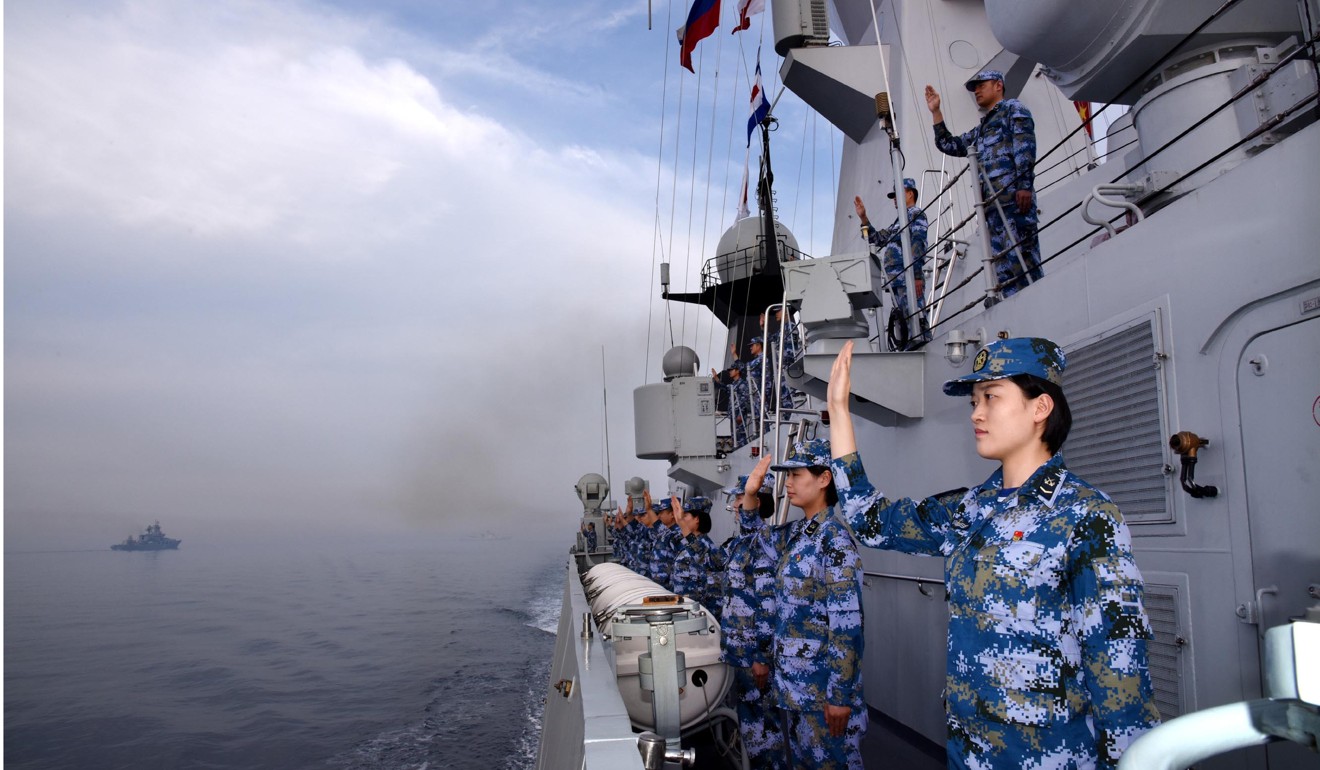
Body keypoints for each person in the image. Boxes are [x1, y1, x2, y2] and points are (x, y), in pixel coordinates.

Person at [826, 337, 1160, 769]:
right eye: (974, 402)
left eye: (991, 397)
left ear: (1040, 408)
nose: (977, 414)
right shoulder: (971, 508)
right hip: (969, 750)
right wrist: (838, 412)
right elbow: (872, 521)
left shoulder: (1086, 515)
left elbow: (1118, 667)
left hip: (1048, 757)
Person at [742, 441, 866, 769]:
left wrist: (839, 696)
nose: (790, 484)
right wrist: (751, 496)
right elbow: (756, 544)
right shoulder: (800, 534)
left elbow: (847, 624)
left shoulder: (834, 541)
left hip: (823, 693)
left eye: (796, 474)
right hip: (797, 690)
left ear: (824, 479)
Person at [926, 70, 1042, 298]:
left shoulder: (1013, 109)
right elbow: (949, 145)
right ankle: (1015, 312)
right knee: (1004, 271)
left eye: (981, 85)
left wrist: (1024, 186)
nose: (977, 91)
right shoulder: (981, 130)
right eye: (974, 87)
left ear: (998, 85)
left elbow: (1025, 147)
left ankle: (1036, 305)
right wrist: (936, 112)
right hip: (992, 208)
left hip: (1015, 202)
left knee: (1025, 263)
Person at [720, 474, 787, 769]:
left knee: (764, 730)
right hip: (741, 651)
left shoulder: (762, 544)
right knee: (750, 724)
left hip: (753, 654)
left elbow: (767, 602)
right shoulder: (744, 543)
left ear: (754, 503)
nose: (735, 506)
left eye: (740, 499)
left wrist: (761, 655)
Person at [854, 177, 930, 347]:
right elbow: (877, 238)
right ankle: (908, 349)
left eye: (898, 194)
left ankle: (922, 348)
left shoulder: (916, 214)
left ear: (910, 194)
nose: (894, 198)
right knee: (903, 322)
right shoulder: (898, 222)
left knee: (915, 318)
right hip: (897, 280)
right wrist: (864, 218)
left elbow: (918, 243)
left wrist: (916, 275)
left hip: (909, 278)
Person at [671, 497, 719, 618]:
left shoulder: (706, 547)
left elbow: (712, 590)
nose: (682, 520)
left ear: (697, 519)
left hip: (699, 615)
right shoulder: (688, 544)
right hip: (685, 612)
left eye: (685, 516)